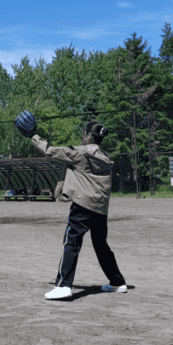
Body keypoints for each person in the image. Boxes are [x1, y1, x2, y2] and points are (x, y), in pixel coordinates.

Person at [35, 122, 127, 300]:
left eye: (83, 134)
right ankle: (117, 282)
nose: (82, 137)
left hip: (82, 205)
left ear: (89, 137)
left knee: (71, 242)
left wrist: (34, 136)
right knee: (101, 245)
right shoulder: (105, 158)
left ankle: (63, 286)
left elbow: (50, 151)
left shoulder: (79, 152)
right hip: (100, 208)